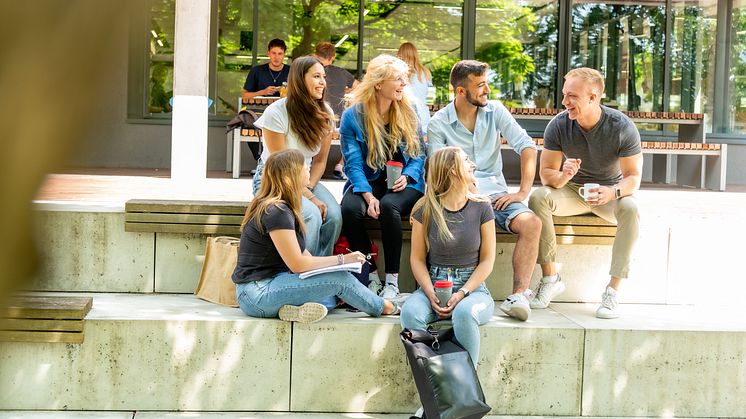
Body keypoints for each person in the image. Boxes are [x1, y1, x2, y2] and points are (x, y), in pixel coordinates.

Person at [427, 60, 541, 321]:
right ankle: (441, 293)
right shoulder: (439, 123)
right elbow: (437, 171)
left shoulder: (496, 111)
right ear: (460, 91)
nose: (486, 90)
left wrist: (522, 192)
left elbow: (526, 146)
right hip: (459, 198)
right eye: (480, 85)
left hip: (496, 196)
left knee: (531, 223)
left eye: (486, 83)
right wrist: (466, 195)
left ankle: (518, 296)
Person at [232, 149, 401, 324]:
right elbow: (298, 264)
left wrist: (342, 263)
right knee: (341, 280)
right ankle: (386, 307)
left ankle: (294, 310)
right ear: (292, 176)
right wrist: (342, 259)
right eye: (305, 168)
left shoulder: (285, 208)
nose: (308, 171)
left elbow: (306, 258)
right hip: (256, 294)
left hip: (272, 284)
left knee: (332, 293)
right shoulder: (277, 211)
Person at [528, 67, 642, 319]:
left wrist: (612, 192)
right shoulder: (558, 125)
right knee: (538, 197)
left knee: (631, 208)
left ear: (593, 97)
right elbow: (547, 175)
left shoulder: (621, 126)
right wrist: (564, 175)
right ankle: (550, 278)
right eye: (564, 95)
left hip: (609, 192)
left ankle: (613, 290)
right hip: (573, 191)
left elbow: (633, 177)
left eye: (572, 96)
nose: (564, 102)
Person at [339, 54, 426, 300]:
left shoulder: (410, 110)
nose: (403, 84)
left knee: (389, 206)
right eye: (397, 79)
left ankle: (392, 281)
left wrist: (408, 177)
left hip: (405, 182)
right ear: (378, 84)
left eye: (404, 79)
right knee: (350, 209)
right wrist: (366, 195)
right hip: (367, 180)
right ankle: (372, 276)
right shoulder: (353, 117)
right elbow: (353, 164)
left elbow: (419, 154)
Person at [400, 147, 496, 364]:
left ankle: (465, 390)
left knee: (464, 314)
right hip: (432, 284)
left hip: (472, 289)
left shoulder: (482, 206)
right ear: (453, 169)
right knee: (410, 313)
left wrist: (462, 293)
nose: (473, 165)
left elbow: (488, 260)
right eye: (466, 160)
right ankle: (430, 385)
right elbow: (416, 258)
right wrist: (430, 292)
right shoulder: (424, 208)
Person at [252, 56, 342, 260]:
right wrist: (310, 198)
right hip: (274, 179)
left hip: (305, 178)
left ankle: (321, 270)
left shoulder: (324, 113)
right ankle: (300, 272)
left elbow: (320, 160)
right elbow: (281, 167)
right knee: (310, 214)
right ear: (300, 80)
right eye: (316, 76)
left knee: (334, 216)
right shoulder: (276, 112)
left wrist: (308, 189)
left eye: (323, 77)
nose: (323, 82)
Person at [314, 41, 360, 180]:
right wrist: (346, 90)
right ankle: (340, 165)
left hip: (313, 120)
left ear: (316, 55)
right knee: (357, 133)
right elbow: (360, 86)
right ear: (333, 56)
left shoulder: (311, 72)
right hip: (336, 122)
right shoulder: (342, 73)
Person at [241, 38, 291, 162]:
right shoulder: (257, 71)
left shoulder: (291, 71)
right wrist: (263, 92)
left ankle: (281, 163)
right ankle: (262, 161)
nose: (276, 57)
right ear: (268, 53)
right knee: (250, 126)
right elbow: (245, 96)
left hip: (286, 113)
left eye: (280, 54)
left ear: (284, 55)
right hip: (259, 113)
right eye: (274, 53)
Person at [396, 42, 432, 134]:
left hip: (404, 117)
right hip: (424, 118)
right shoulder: (425, 72)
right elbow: (430, 99)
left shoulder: (397, 73)